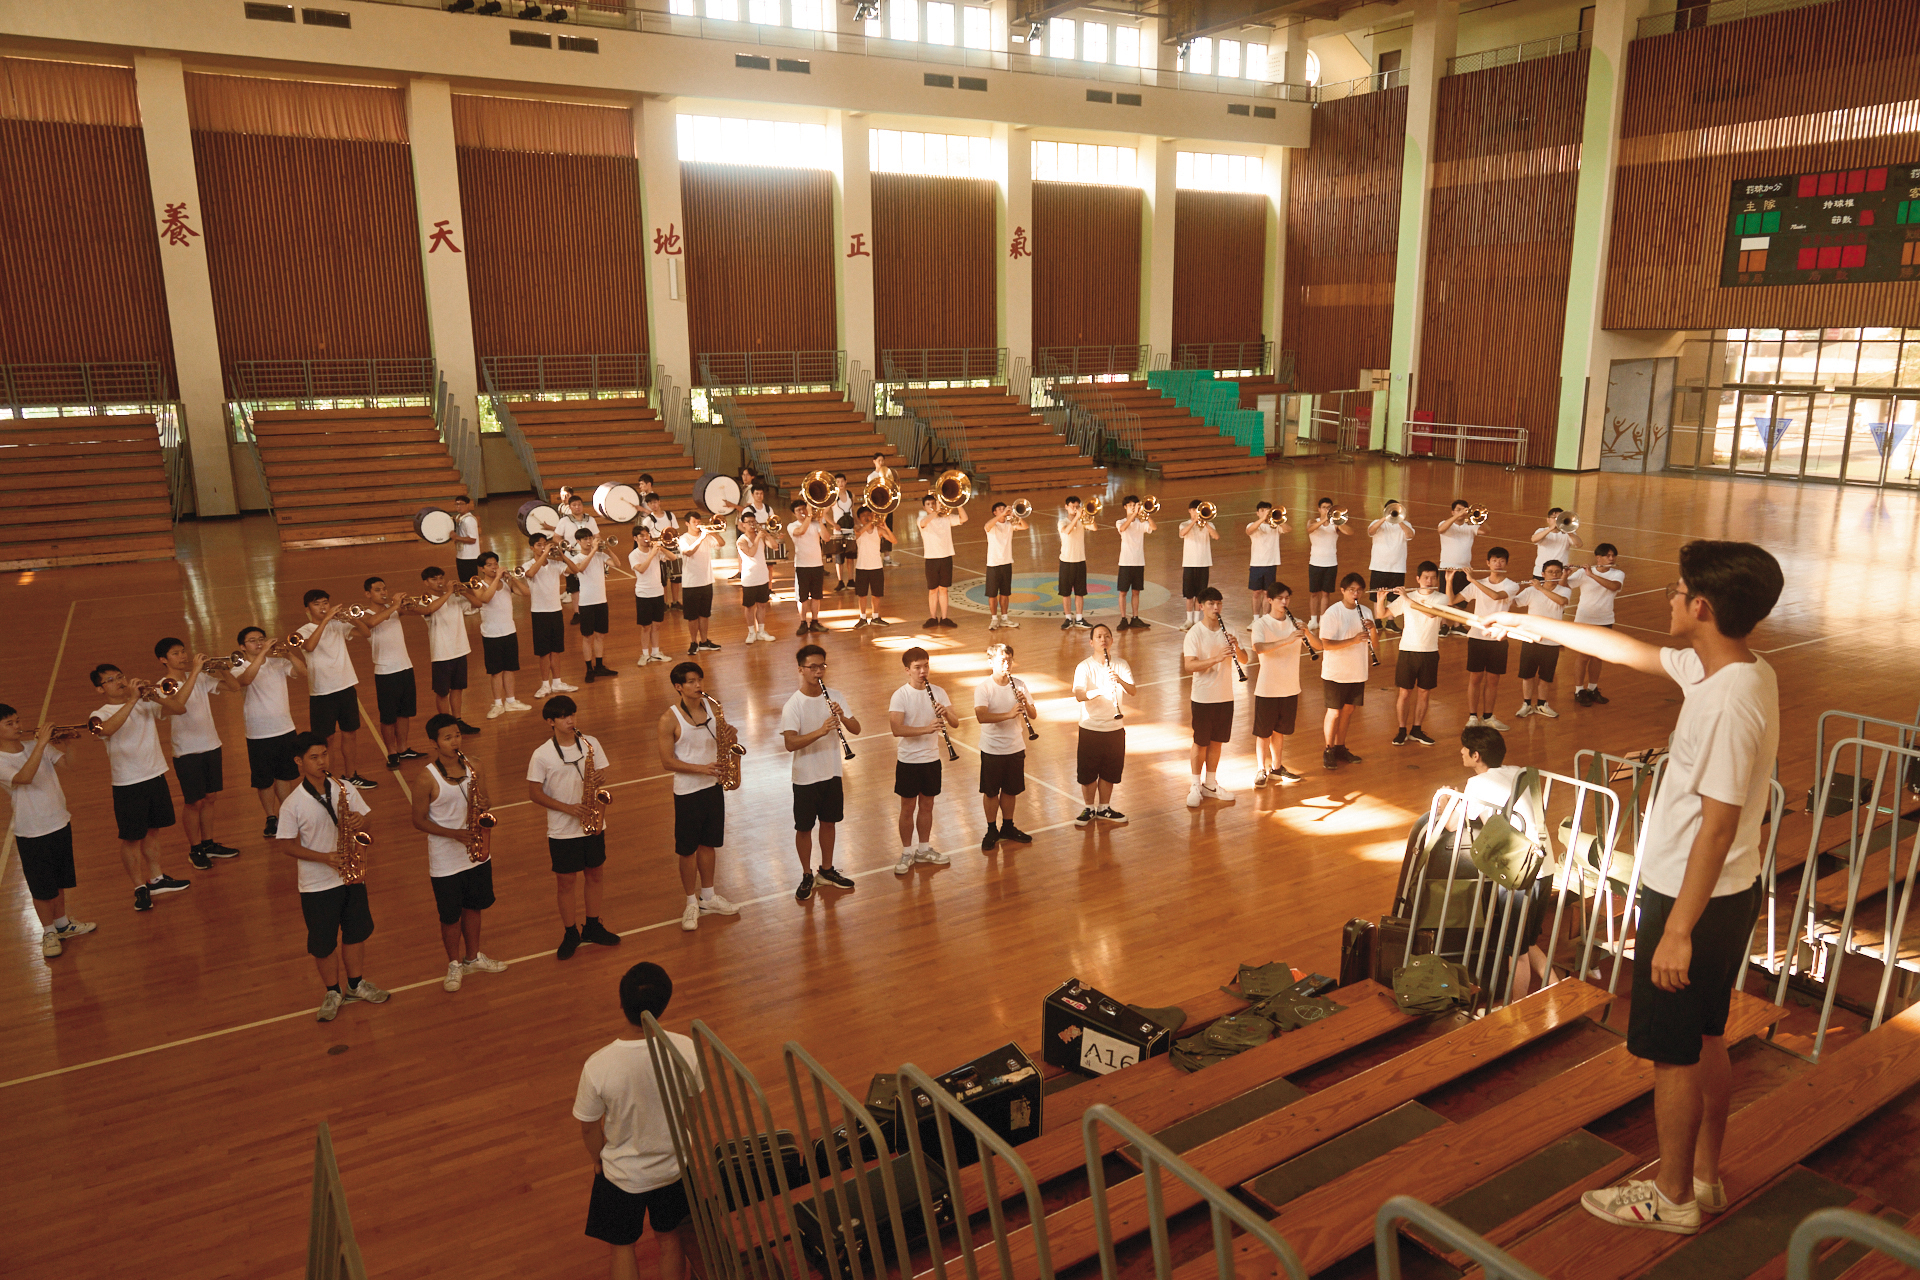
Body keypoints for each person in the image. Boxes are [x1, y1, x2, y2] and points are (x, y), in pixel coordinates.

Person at [1490, 542, 1784, 1237]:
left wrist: (1677, 928)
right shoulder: (1738, 667)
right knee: (1707, 1037)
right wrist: (1530, 626)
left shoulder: (1728, 705)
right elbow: (1630, 652)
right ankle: (1706, 1176)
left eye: (1679, 592)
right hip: (1719, 894)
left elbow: (1718, 825)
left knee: (1673, 1053)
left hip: (1692, 899)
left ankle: (1671, 1195)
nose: (1670, 600)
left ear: (1703, 608)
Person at [574, 962, 697, 1280]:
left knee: (622, 1246)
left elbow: (588, 1126)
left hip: (620, 1174)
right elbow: (692, 1111)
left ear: (620, 1002)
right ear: (664, 1005)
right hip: (674, 1168)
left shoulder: (598, 1065)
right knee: (671, 1240)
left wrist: (598, 1160)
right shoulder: (686, 1049)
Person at [275, 732, 389, 1022]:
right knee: (324, 942)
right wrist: (324, 857)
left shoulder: (345, 788)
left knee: (355, 933)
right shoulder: (292, 803)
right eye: (314, 757)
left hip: (351, 876)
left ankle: (355, 984)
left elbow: (367, 819)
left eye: (324, 754)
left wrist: (361, 821)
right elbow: (285, 845)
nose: (322, 761)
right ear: (299, 762)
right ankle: (332, 991)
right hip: (317, 884)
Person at [409, 713, 507, 992]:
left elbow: (485, 799)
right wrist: (454, 834)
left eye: (457, 735)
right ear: (434, 742)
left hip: (476, 850)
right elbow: (418, 820)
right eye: (447, 737)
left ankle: (473, 957)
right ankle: (454, 964)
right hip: (445, 858)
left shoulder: (475, 765)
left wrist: (484, 805)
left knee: (474, 906)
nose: (455, 741)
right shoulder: (425, 779)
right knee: (450, 915)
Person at [88, 664, 191, 911]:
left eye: (120, 676)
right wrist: (133, 700)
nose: (119, 682)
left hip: (155, 774)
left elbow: (180, 708)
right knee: (132, 838)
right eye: (110, 680)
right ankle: (138, 887)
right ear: (100, 689)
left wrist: (154, 696)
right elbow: (108, 730)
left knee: (153, 830)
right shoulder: (99, 713)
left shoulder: (145, 701)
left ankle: (156, 879)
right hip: (127, 783)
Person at [529, 694, 623, 959]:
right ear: (550, 721)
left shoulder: (590, 743)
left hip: (593, 823)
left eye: (572, 715)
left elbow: (600, 774)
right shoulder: (542, 754)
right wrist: (566, 808)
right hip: (562, 829)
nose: (570, 720)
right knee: (566, 884)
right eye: (563, 716)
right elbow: (534, 793)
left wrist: (600, 778)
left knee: (595, 875)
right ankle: (570, 932)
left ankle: (592, 926)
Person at [0, 711, 95, 959]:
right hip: (31, 830)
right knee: (42, 888)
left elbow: (70, 765)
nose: (17, 726)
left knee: (59, 880)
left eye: (17, 720)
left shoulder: (34, 746)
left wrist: (67, 744)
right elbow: (24, 777)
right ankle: (48, 932)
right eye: (9, 723)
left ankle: (62, 924)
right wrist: (42, 744)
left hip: (59, 821)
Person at [657, 664, 741, 931]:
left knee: (709, 844)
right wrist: (700, 768)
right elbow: (667, 762)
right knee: (687, 849)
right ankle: (690, 901)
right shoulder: (669, 720)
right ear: (678, 687)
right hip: (688, 792)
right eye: (691, 682)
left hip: (713, 786)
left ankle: (708, 896)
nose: (698, 685)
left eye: (699, 680)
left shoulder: (713, 709)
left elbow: (724, 737)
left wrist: (732, 734)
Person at [778, 645, 861, 901]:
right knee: (804, 828)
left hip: (832, 772)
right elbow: (790, 743)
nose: (818, 671)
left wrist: (842, 716)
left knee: (829, 823)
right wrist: (820, 731)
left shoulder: (834, 695)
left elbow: (856, 729)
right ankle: (806, 874)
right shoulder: (793, 705)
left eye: (821, 666)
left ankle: (826, 870)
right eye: (812, 667)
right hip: (805, 777)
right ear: (801, 669)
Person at [154, 636, 239, 869]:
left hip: (212, 744)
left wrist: (223, 670)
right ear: (163, 660)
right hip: (187, 751)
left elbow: (233, 687)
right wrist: (195, 674)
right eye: (175, 653)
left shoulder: (200, 676)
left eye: (183, 651)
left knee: (210, 798)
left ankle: (209, 843)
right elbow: (179, 707)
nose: (183, 656)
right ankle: (194, 849)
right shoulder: (164, 686)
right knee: (194, 802)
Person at [296, 589, 378, 788]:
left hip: (346, 686)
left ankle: (351, 775)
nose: (323, 607)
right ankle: (327, 778)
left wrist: (352, 619)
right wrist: (325, 621)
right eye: (317, 604)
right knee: (326, 739)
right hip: (322, 692)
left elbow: (366, 633)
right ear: (307, 609)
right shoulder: (303, 631)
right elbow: (310, 647)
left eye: (325, 602)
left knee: (350, 733)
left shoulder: (338, 624)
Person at [889, 646, 958, 872]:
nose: (923, 671)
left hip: (931, 759)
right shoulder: (900, 695)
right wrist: (926, 729)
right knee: (907, 808)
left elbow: (955, 722)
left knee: (927, 805)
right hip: (909, 761)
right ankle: (906, 852)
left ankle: (924, 849)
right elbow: (897, 729)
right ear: (907, 670)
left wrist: (946, 713)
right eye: (917, 667)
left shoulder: (938, 692)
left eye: (926, 666)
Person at [233, 624, 306, 836]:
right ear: (242, 646)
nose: (259, 642)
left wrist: (289, 654)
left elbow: (303, 672)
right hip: (258, 733)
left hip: (285, 728)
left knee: (284, 775)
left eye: (261, 639)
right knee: (264, 780)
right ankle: (270, 817)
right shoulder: (238, 666)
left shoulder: (278, 662)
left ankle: (287, 815)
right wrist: (264, 652)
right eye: (253, 640)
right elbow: (245, 680)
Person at [1181, 587, 1243, 805]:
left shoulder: (1230, 629)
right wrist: (1216, 658)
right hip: (1203, 697)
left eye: (1218, 603)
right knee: (1200, 742)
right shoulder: (1194, 633)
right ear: (1201, 606)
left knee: (1217, 741)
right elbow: (1189, 665)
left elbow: (1244, 660)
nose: (1216, 608)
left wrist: (1236, 647)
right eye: (1210, 604)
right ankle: (1195, 785)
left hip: (1225, 696)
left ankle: (1210, 783)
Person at [1071, 624, 1135, 825]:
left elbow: (1132, 690)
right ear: (1092, 642)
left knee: (1110, 771)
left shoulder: (1121, 665)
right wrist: (1099, 690)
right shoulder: (1084, 667)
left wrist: (1119, 681)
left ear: (1112, 640)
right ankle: (1089, 808)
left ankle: (1104, 808)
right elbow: (1079, 695)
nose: (1103, 639)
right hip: (1091, 727)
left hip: (1114, 728)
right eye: (1098, 636)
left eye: (1107, 636)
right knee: (1088, 772)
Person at [975, 643, 1036, 850]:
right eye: (1002, 660)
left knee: (1011, 790)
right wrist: (1009, 714)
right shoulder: (984, 688)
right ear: (990, 662)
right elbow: (981, 716)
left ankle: (1007, 826)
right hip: (992, 749)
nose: (1007, 663)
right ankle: (991, 829)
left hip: (1015, 746)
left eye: (1009, 659)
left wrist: (1025, 703)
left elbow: (1033, 714)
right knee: (991, 792)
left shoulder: (1018, 684)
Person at [1248, 584, 1311, 785]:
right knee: (1263, 732)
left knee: (1280, 731)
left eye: (1287, 598)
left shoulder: (1296, 623)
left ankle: (1276, 767)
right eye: (1280, 598)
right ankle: (1261, 769)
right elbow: (1259, 648)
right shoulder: (1262, 624)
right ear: (1270, 600)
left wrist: (1308, 632)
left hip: (1290, 686)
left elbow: (1318, 646)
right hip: (1268, 687)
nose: (1284, 602)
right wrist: (1287, 639)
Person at [1381, 562, 1448, 747]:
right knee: (1404, 693)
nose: (1429, 581)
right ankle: (1402, 730)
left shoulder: (1442, 598)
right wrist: (1381, 598)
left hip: (1430, 652)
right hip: (1407, 651)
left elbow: (1431, 614)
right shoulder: (1407, 597)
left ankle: (1417, 729)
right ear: (1418, 579)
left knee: (1424, 693)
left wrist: (1405, 598)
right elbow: (1382, 614)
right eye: (1426, 577)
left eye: (1433, 577)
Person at [361, 577, 421, 768]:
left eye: (385, 589)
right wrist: (394, 605)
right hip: (386, 672)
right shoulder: (364, 613)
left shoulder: (394, 609)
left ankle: (403, 748)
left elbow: (422, 610)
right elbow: (371, 623)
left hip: (405, 667)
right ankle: (392, 752)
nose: (383, 592)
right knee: (388, 717)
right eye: (378, 590)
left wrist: (409, 603)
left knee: (405, 713)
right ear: (368, 594)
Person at [1457, 547, 1518, 731]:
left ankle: (1489, 716)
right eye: (1494, 560)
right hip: (1477, 637)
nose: (1498, 564)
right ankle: (1473, 717)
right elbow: (1453, 600)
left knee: (1493, 680)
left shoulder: (1511, 585)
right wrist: (1449, 581)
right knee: (1475, 678)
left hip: (1498, 639)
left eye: (1501, 561)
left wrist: (1473, 580)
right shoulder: (1476, 584)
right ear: (1487, 563)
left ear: (1506, 563)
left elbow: (1495, 595)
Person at [1318, 574, 1374, 770]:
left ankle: (1340, 747)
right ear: (1343, 591)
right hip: (1335, 672)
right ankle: (1328, 749)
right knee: (1334, 712)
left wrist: (1373, 629)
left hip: (1357, 670)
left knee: (1348, 710)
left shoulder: (1366, 612)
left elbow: (1373, 643)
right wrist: (1353, 640)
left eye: (1359, 590)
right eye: (1351, 590)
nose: (1355, 593)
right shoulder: (1332, 613)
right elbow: (1326, 644)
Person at [417, 566, 482, 734]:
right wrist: (448, 592)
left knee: (458, 688)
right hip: (441, 653)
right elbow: (430, 610)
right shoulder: (425, 599)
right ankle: (445, 723)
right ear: (426, 583)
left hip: (460, 649)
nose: (439, 582)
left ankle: (458, 720)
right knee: (442, 692)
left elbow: (478, 603)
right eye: (434, 579)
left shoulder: (455, 596)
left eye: (441, 578)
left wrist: (464, 591)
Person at [472, 552, 533, 719]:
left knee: (510, 669)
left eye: (495, 564)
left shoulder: (506, 583)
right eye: (490, 565)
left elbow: (526, 593)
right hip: (491, 634)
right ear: (482, 568)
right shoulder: (478, 584)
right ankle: (498, 703)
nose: (494, 567)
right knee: (496, 671)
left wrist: (511, 579)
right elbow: (485, 598)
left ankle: (511, 701)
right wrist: (498, 578)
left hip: (509, 631)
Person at [1569, 543, 1626, 705]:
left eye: (1613, 556)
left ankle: (1592, 688)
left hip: (1605, 619)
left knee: (1597, 656)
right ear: (1598, 557)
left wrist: (1591, 575)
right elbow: (1564, 585)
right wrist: (1566, 574)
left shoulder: (1618, 574)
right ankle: (1579, 690)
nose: (1611, 558)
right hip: (1584, 620)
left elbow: (1614, 587)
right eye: (1607, 556)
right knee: (1583, 656)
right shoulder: (1582, 573)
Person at [1513, 560, 1570, 720]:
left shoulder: (1564, 591)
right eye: (1550, 572)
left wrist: (1539, 587)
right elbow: (1515, 602)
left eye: (1557, 572)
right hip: (1531, 639)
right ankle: (1526, 704)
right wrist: (1506, 589)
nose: (1554, 575)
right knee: (1527, 675)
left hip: (1552, 641)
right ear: (1543, 574)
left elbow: (1561, 601)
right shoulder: (1531, 591)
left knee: (1546, 676)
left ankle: (1542, 704)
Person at [525, 534, 577, 697]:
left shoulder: (556, 564)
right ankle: (544, 684)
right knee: (544, 652)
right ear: (532, 547)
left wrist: (562, 556)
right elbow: (531, 574)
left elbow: (575, 570)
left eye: (545, 545)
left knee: (556, 650)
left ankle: (557, 682)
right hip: (539, 613)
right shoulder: (527, 565)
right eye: (539, 545)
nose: (543, 547)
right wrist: (545, 554)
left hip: (556, 611)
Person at [576, 533, 620, 684]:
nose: (589, 541)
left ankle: (599, 665)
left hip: (601, 600)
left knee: (600, 635)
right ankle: (589, 668)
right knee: (587, 637)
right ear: (578, 542)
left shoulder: (600, 556)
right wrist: (594, 550)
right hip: (586, 603)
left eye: (590, 539)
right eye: (585, 539)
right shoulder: (577, 558)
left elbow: (617, 564)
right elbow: (580, 568)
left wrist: (608, 550)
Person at [918, 491, 966, 629]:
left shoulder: (946, 518)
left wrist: (958, 504)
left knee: (944, 589)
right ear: (924, 508)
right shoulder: (922, 520)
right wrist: (936, 512)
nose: (931, 506)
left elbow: (964, 519)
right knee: (933, 590)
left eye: (933, 503)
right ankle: (933, 618)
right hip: (931, 559)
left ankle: (944, 618)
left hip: (946, 557)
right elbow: (923, 522)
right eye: (928, 504)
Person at [677, 516, 722, 657]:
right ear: (687, 524)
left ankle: (704, 641)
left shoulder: (706, 537)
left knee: (704, 614)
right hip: (691, 583)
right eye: (694, 522)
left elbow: (722, 543)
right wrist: (701, 538)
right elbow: (688, 552)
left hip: (706, 581)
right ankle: (693, 642)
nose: (697, 525)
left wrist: (712, 532)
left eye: (699, 522)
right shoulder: (683, 538)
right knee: (692, 617)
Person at [1435, 500, 1480, 636]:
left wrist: (1475, 517)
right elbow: (1440, 529)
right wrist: (1458, 516)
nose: (1461, 512)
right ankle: (1444, 624)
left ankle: (1457, 625)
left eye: (1464, 510)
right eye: (1458, 510)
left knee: (1461, 599)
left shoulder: (1471, 526)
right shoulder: (1446, 524)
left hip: (1464, 568)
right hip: (1446, 568)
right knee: (1444, 599)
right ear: (1452, 511)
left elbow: (1486, 530)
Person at [1305, 497, 1350, 627]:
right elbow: (1310, 529)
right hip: (1315, 563)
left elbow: (1349, 532)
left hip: (1331, 563)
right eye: (1324, 507)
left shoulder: (1335, 524)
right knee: (1314, 593)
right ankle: (1313, 620)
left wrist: (1339, 523)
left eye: (1329, 507)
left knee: (1326, 593)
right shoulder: (1313, 521)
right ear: (1319, 509)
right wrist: (1325, 519)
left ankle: (1323, 619)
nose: (1326, 509)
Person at [628, 528, 670, 666]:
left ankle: (656, 652)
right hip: (643, 594)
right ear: (635, 538)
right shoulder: (634, 555)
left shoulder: (656, 551)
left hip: (658, 592)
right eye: (642, 535)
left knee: (657, 625)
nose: (646, 537)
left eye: (647, 534)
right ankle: (645, 654)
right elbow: (641, 569)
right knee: (646, 626)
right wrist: (652, 554)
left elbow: (673, 557)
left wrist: (661, 549)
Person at [982, 500, 1026, 631]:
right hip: (993, 564)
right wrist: (1000, 516)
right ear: (994, 512)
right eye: (1000, 509)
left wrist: (1016, 515)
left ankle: (1005, 618)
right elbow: (987, 525)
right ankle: (994, 619)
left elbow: (1025, 526)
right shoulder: (992, 526)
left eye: (1004, 508)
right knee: (992, 594)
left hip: (1006, 563)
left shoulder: (1009, 525)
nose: (1003, 510)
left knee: (1005, 593)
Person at [787, 498, 829, 636]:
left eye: (803, 509)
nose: (802, 512)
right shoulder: (792, 526)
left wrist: (821, 520)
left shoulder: (815, 523)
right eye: (798, 510)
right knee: (803, 597)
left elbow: (827, 538)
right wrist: (810, 516)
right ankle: (803, 622)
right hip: (802, 565)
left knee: (816, 596)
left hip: (817, 564)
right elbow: (801, 531)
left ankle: (815, 621)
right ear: (794, 513)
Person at [1366, 500, 1415, 616]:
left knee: (1394, 597)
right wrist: (1384, 518)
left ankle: (1390, 621)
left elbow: (1410, 535)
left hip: (1397, 567)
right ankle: (1377, 619)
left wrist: (1399, 521)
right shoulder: (1377, 522)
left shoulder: (1405, 524)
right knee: (1377, 596)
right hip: (1379, 566)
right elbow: (1371, 531)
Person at [1114, 496, 1154, 630]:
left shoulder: (1141, 523)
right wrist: (1134, 515)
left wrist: (1146, 515)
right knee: (1123, 592)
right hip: (1125, 562)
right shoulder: (1120, 521)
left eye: (1135, 504)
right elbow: (1123, 528)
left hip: (1139, 562)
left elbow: (1153, 527)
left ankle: (1135, 618)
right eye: (1130, 505)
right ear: (1125, 507)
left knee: (1136, 592)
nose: (1133, 507)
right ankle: (1123, 618)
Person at [638, 493, 683, 614]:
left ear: (659, 502)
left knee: (676, 578)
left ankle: (675, 601)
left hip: (672, 548)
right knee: (662, 578)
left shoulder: (670, 515)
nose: (653, 505)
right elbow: (645, 536)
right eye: (650, 503)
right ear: (647, 505)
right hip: (658, 551)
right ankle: (664, 602)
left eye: (655, 502)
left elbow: (676, 531)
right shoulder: (648, 520)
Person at [1177, 500, 1217, 630]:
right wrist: (1194, 521)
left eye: (1198, 510)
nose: (1196, 512)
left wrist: (1205, 524)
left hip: (1204, 563)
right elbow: (1182, 533)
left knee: (1200, 595)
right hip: (1189, 563)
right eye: (1194, 510)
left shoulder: (1208, 524)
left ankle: (1196, 620)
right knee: (1189, 595)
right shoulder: (1184, 524)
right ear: (1190, 511)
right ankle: (1188, 620)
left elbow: (1216, 536)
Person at [852, 506, 895, 628]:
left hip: (876, 567)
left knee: (876, 594)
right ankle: (863, 618)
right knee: (862, 595)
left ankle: (876, 617)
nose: (866, 517)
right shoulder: (857, 528)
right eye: (863, 516)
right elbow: (859, 532)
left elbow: (894, 540)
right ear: (859, 519)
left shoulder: (878, 530)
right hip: (861, 567)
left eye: (868, 514)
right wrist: (872, 521)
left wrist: (885, 527)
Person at [736, 511, 774, 644]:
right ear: (743, 524)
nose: (752, 525)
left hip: (762, 576)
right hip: (749, 578)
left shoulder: (760, 536)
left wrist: (766, 534)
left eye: (754, 522)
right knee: (749, 607)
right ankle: (751, 632)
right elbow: (751, 553)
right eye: (749, 522)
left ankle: (761, 631)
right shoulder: (741, 541)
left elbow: (774, 546)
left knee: (762, 605)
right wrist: (758, 538)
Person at [1245, 503, 1286, 620]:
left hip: (1271, 564)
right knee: (1256, 593)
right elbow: (1249, 531)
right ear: (1257, 513)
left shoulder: (1275, 525)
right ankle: (1256, 619)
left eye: (1267, 510)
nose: (1265, 512)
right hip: (1256, 564)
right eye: (1262, 510)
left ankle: (1265, 618)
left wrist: (1279, 520)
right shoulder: (1253, 525)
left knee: (1267, 593)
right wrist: (1263, 519)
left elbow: (1288, 529)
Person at [1056, 496, 1090, 629]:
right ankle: (1068, 618)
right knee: (1065, 592)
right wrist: (1077, 517)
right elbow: (1067, 531)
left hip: (1080, 560)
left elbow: (1094, 527)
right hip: (1066, 561)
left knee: (1080, 592)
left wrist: (1086, 516)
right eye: (1072, 506)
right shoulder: (1062, 521)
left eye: (1077, 506)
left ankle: (1080, 618)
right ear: (1066, 507)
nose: (1075, 509)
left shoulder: (1082, 521)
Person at [1528, 507, 1581, 579]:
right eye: (1554, 518)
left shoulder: (1568, 534)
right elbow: (1534, 539)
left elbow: (1579, 544)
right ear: (1548, 520)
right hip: (1540, 572)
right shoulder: (1542, 530)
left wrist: (1569, 531)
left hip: (1559, 573)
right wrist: (1550, 529)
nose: (1557, 520)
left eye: (1559, 518)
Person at [866, 451, 898, 566]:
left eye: (882, 460)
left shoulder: (889, 474)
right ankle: (877, 556)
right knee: (878, 531)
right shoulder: (871, 476)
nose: (881, 462)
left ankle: (887, 557)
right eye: (879, 460)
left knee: (888, 529)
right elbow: (870, 492)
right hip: (877, 506)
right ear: (874, 462)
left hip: (887, 505)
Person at [829, 473, 857, 591]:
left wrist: (856, 523)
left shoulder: (851, 495)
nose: (840, 484)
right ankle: (840, 581)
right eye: (838, 482)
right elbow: (825, 513)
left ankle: (851, 580)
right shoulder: (832, 497)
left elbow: (853, 510)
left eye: (842, 481)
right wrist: (834, 525)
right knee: (839, 558)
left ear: (846, 482)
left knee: (850, 556)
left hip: (850, 529)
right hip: (839, 531)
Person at [451, 493, 481, 586]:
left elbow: (472, 539)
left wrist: (456, 537)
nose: (458, 506)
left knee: (471, 583)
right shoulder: (459, 518)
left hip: (470, 556)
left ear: (467, 505)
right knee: (463, 582)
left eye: (461, 504)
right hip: (461, 555)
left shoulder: (469, 520)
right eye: (457, 504)